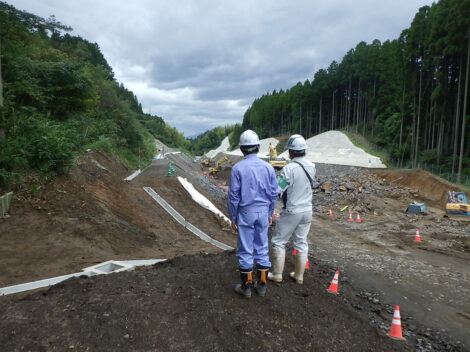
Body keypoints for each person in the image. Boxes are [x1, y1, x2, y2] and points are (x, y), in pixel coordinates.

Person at [228, 129, 278, 298]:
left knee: (245, 249)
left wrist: (233, 217)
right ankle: (262, 285)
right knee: (262, 247)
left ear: (242, 148)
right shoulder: (268, 167)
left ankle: (246, 286)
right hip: (263, 212)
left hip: (245, 212)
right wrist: (270, 212)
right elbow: (273, 194)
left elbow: (233, 196)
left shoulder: (237, 168)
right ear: (258, 147)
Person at [268, 134, 315, 284]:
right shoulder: (312, 166)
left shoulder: (289, 168)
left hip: (292, 211)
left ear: (291, 152)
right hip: (307, 210)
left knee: (278, 241)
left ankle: (277, 274)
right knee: (301, 242)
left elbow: (277, 189)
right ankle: (299, 276)